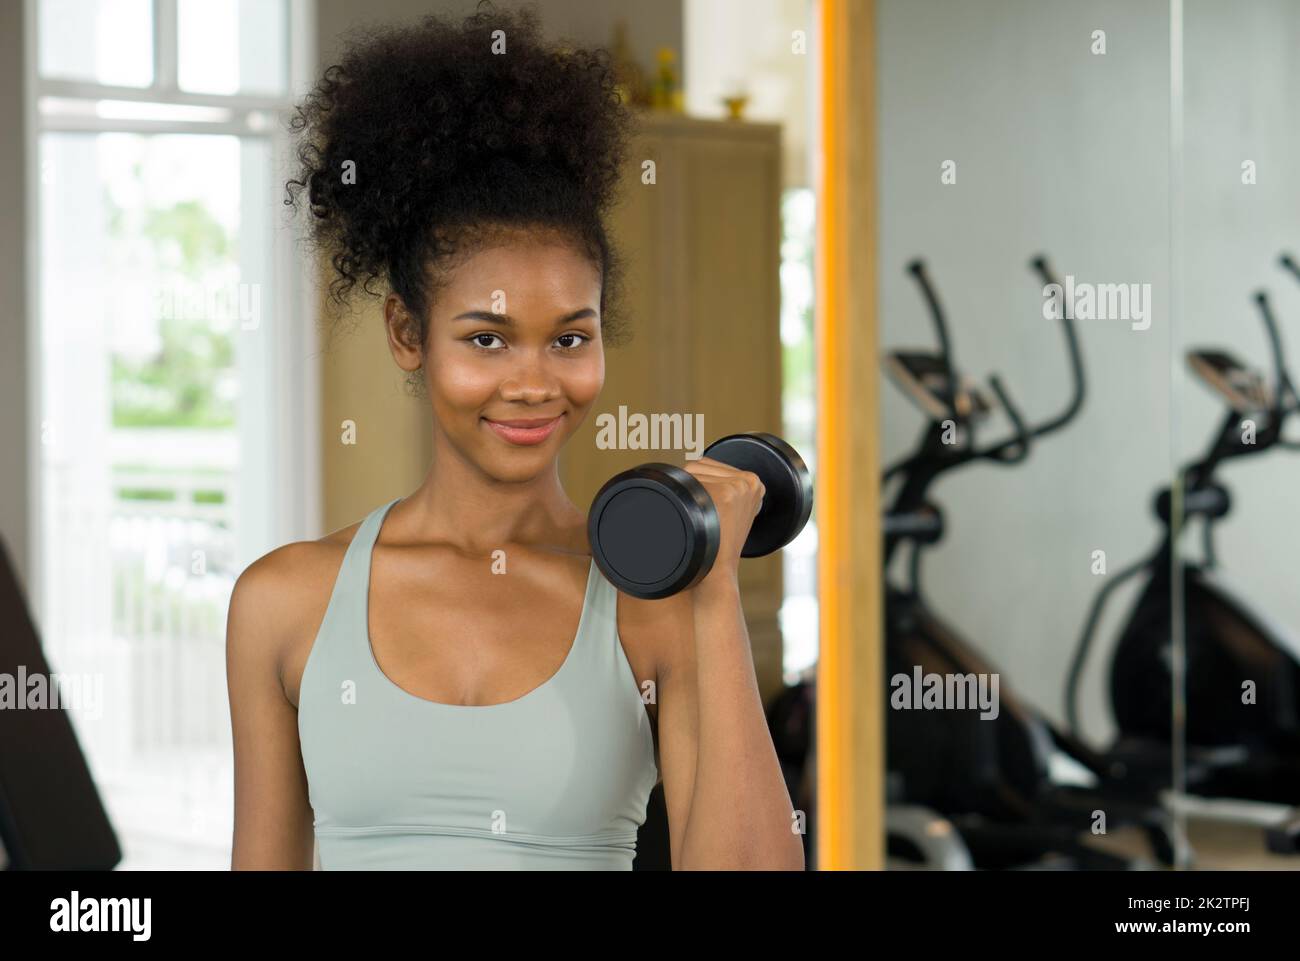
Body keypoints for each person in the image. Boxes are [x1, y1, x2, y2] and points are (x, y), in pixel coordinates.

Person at [226, 2, 803, 871]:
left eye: (571, 337)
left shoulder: (655, 610)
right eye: (486, 338)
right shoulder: (284, 604)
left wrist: (715, 590)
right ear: (406, 334)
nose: (534, 382)